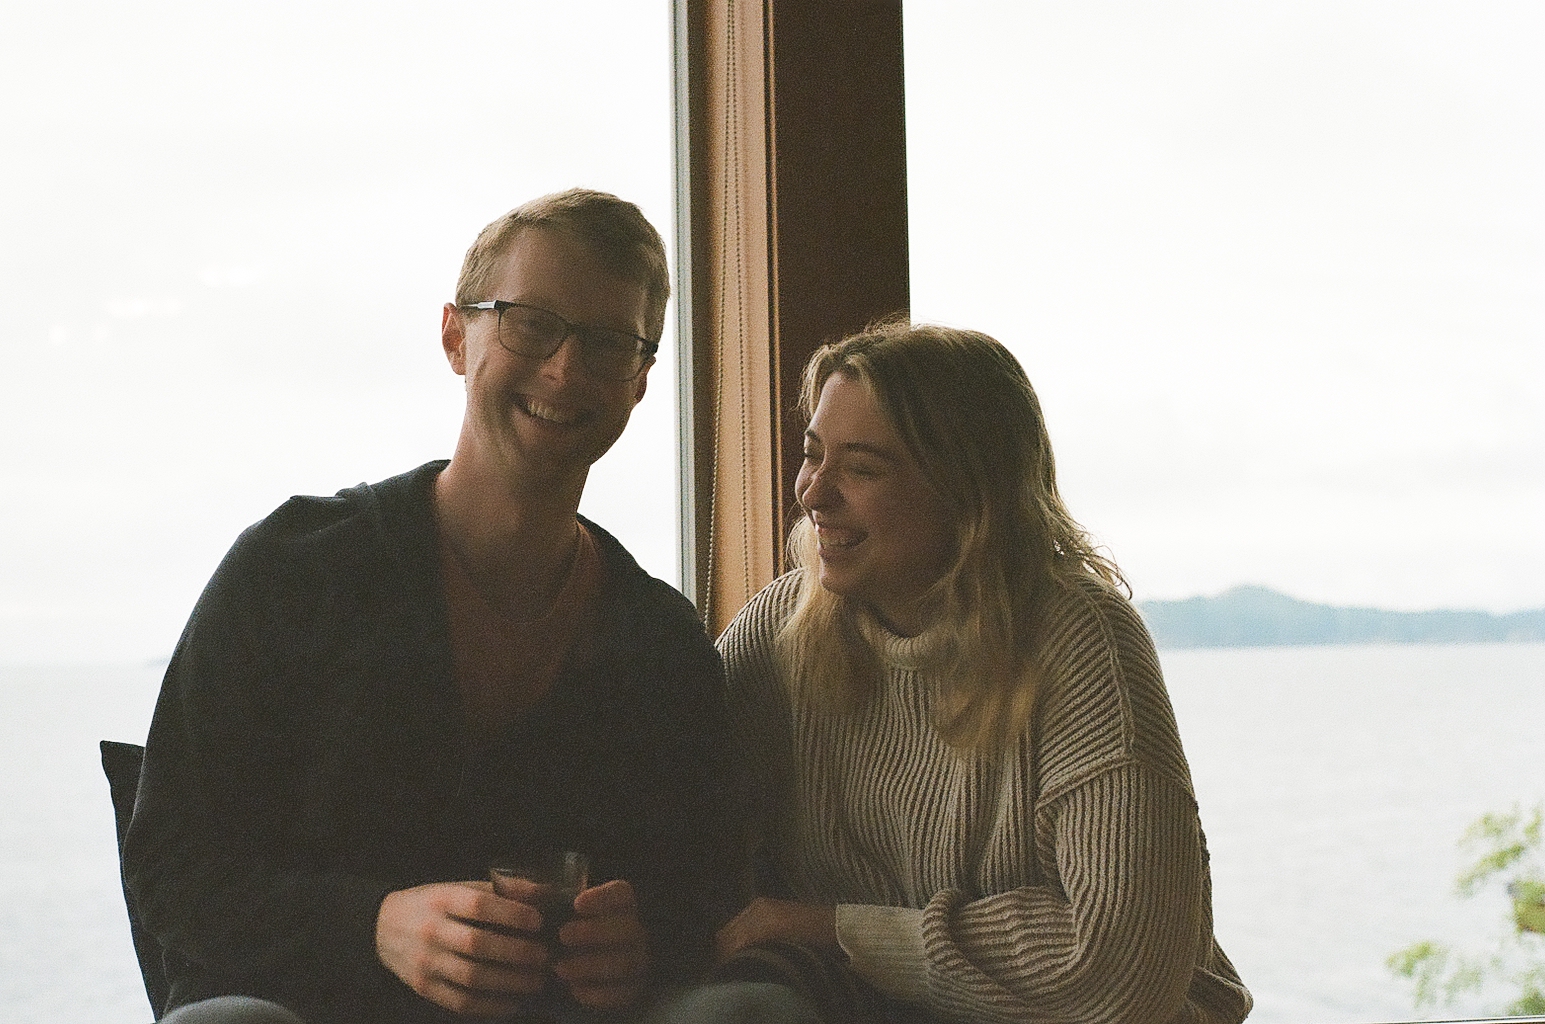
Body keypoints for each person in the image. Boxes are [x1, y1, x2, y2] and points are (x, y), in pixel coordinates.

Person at [123, 190, 785, 1024]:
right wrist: (373, 925)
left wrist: (641, 944)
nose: (565, 369)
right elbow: (172, 867)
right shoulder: (296, 571)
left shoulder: (660, 643)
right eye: (531, 323)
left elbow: (704, 899)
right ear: (454, 337)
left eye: (609, 342)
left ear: (641, 379)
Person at [714, 321, 1254, 1024]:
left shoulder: (1080, 645)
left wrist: (835, 928)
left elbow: (1122, 974)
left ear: (966, 493)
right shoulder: (781, 626)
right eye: (813, 455)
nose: (813, 494)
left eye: (862, 468)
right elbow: (661, 814)